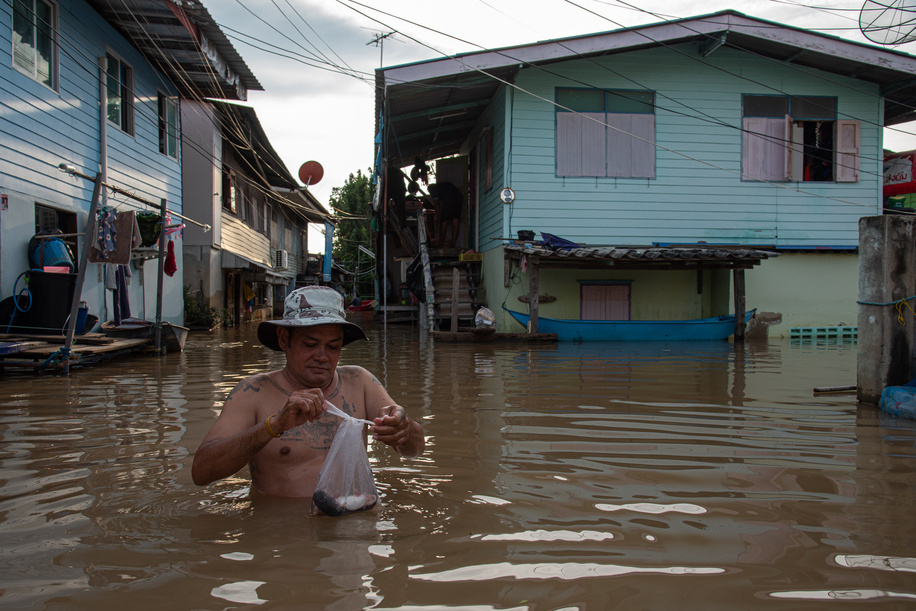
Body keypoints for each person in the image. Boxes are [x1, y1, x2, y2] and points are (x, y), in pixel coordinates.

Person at [191, 286, 425, 498]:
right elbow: (201, 472)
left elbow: (415, 450)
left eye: (333, 347)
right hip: (283, 534)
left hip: (349, 527)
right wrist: (273, 426)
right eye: (310, 345)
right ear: (284, 340)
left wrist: (403, 430)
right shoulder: (253, 392)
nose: (322, 357)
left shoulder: (360, 382)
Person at [428, 182, 463, 248]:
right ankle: (453, 245)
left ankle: (441, 246)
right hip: (459, 198)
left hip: (448, 200)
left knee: (444, 222)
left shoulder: (433, 190)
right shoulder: (443, 185)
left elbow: (436, 204)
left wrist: (438, 217)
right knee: (456, 221)